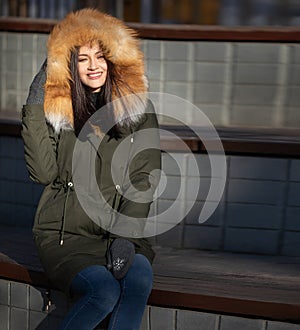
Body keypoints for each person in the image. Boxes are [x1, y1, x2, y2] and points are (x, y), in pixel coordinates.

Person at [21, 8, 161, 330]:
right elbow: (42, 173)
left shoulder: (138, 109)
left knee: (137, 281)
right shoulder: (59, 110)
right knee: (102, 291)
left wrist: (125, 237)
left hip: (122, 229)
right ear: (69, 64)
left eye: (101, 56)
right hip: (66, 236)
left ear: (115, 59)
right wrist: (34, 103)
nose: (94, 66)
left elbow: (144, 175)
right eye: (83, 59)